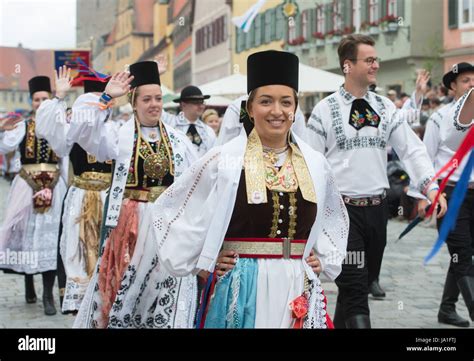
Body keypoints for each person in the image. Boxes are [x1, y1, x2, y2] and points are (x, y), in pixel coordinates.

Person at [148, 50, 349, 328]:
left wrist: (323, 260)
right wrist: (205, 259)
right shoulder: (225, 160)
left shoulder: (316, 163)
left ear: (295, 108)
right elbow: (176, 209)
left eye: (285, 102)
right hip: (243, 285)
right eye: (266, 101)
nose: (277, 111)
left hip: (297, 282)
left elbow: (332, 217)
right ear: (250, 108)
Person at [304, 34, 447, 328]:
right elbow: (310, 166)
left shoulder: (385, 107)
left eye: (376, 59)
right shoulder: (323, 111)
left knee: (354, 290)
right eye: (369, 60)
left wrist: (430, 187)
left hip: (378, 211)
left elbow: (411, 148)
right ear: (347, 66)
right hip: (342, 215)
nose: (376, 65)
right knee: (356, 288)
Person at [70, 61, 199, 328]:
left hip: (167, 228)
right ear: (134, 102)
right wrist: (106, 97)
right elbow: (83, 132)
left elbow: (196, 183)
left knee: (163, 289)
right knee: (125, 289)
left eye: (159, 98)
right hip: (130, 226)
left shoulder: (178, 140)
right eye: (147, 99)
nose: (155, 104)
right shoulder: (119, 136)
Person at [35, 66, 113, 314]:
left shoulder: (115, 128)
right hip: (81, 199)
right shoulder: (73, 130)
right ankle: (82, 304)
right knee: (80, 252)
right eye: (90, 105)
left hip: (110, 198)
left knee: (109, 254)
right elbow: (48, 130)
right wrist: (58, 97)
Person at [0, 76, 68, 316]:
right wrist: (2, 128)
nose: (40, 103)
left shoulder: (59, 126)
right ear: (32, 101)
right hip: (27, 186)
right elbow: (5, 147)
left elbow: (65, 155)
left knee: (49, 240)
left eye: (44, 99)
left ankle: (48, 294)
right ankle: (29, 281)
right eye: (37, 100)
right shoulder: (22, 125)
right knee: (27, 234)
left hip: (53, 186)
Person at [418, 64, 473, 326]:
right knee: (462, 253)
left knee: (462, 254)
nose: (472, 85)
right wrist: (421, 195)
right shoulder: (440, 118)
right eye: (466, 80)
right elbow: (424, 159)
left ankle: (446, 309)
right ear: (453, 87)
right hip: (451, 194)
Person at [161, 85, 216, 157]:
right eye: (196, 102)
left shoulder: (208, 131)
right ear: (183, 104)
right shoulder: (170, 123)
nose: (201, 106)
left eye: (202, 102)